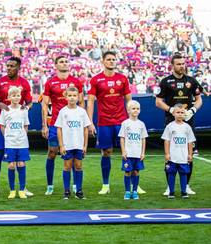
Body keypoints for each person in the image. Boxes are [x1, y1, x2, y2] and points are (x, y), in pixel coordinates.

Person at [87, 51, 141, 195]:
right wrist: (90, 121)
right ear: (103, 62)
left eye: (113, 59)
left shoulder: (122, 79)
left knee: (130, 152)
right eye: (108, 59)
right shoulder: (96, 80)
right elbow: (91, 101)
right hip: (104, 122)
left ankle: (135, 183)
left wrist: (132, 119)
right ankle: (106, 184)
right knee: (106, 152)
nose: (111, 61)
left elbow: (129, 101)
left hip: (122, 121)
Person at [155, 53, 203, 195]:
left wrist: (193, 110)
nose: (182, 66)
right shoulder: (165, 82)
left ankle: (186, 185)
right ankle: (169, 187)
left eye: (183, 63)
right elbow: (157, 102)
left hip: (188, 122)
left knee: (189, 153)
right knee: (170, 153)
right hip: (171, 122)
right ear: (172, 65)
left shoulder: (192, 81)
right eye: (179, 64)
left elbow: (199, 99)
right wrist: (171, 110)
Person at [0, 56, 33, 198]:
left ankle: (22, 187)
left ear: (18, 67)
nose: (9, 68)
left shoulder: (24, 83)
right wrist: (2, 105)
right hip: (1, 125)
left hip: (17, 129)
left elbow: (29, 102)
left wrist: (24, 109)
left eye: (12, 66)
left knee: (20, 159)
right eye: (7, 65)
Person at [41, 55, 84, 195]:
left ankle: (75, 186)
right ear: (56, 65)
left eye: (66, 61)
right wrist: (44, 125)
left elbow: (82, 102)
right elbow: (45, 104)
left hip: (73, 126)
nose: (64, 64)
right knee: (52, 152)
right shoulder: (50, 82)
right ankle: (50, 185)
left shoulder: (76, 82)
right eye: (61, 62)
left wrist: (85, 123)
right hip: (55, 124)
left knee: (73, 154)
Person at [54, 87, 91, 200]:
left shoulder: (82, 112)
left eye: (74, 95)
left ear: (78, 97)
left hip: (79, 145)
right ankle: (66, 191)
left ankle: (79, 191)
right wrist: (61, 145)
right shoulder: (63, 111)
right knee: (67, 166)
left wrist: (85, 145)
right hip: (67, 145)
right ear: (66, 97)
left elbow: (85, 129)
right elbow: (59, 129)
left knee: (78, 166)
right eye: (69, 95)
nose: (72, 98)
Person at [0, 86, 31, 199]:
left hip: (22, 143)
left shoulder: (23, 110)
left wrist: (22, 135)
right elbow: (2, 126)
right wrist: (7, 137)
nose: (16, 97)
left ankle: (22, 190)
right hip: (10, 143)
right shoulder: (5, 110)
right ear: (8, 97)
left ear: (20, 97)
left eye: (18, 95)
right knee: (11, 165)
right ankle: (12, 190)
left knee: (21, 163)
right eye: (13, 95)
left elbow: (26, 125)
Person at [161, 104, 196, 199]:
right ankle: (171, 192)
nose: (180, 114)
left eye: (182, 112)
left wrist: (190, 154)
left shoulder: (187, 127)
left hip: (183, 156)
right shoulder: (170, 126)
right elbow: (166, 141)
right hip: (172, 156)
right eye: (178, 112)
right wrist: (167, 153)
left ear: (185, 114)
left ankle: (184, 192)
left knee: (183, 174)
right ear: (173, 114)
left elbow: (190, 142)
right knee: (171, 173)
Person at [118, 100, 148, 200]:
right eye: (133, 108)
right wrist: (123, 151)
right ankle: (127, 192)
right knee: (127, 172)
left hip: (138, 154)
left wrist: (143, 152)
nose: (135, 110)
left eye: (137, 109)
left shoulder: (141, 124)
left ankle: (134, 191)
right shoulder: (125, 123)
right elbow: (122, 138)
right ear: (128, 110)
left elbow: (143, 139)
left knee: (136, 172)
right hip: (128, 153)